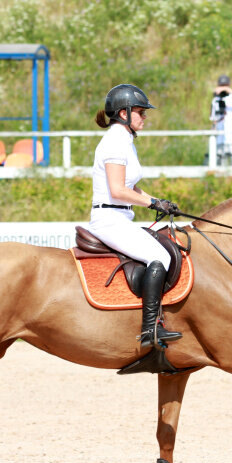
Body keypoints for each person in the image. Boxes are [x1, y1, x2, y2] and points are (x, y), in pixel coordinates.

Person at [89, 83, 182, 354]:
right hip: (108, 218)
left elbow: (129, 186)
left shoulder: (125, 139)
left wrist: (158, 201)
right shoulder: (116, 140)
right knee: (160, 258)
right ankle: (150, 328)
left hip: (120, 216)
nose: (144, 116)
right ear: (123, 113)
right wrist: (152, 202)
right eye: (140, 111)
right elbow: (118, 190)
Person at [209, 74, 232, 166]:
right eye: (222, 86)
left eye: (225, 85)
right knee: (220, 161)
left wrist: (228, 90)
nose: (223, 88)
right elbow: (214, 117)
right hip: (221, 135)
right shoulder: (216, 99)